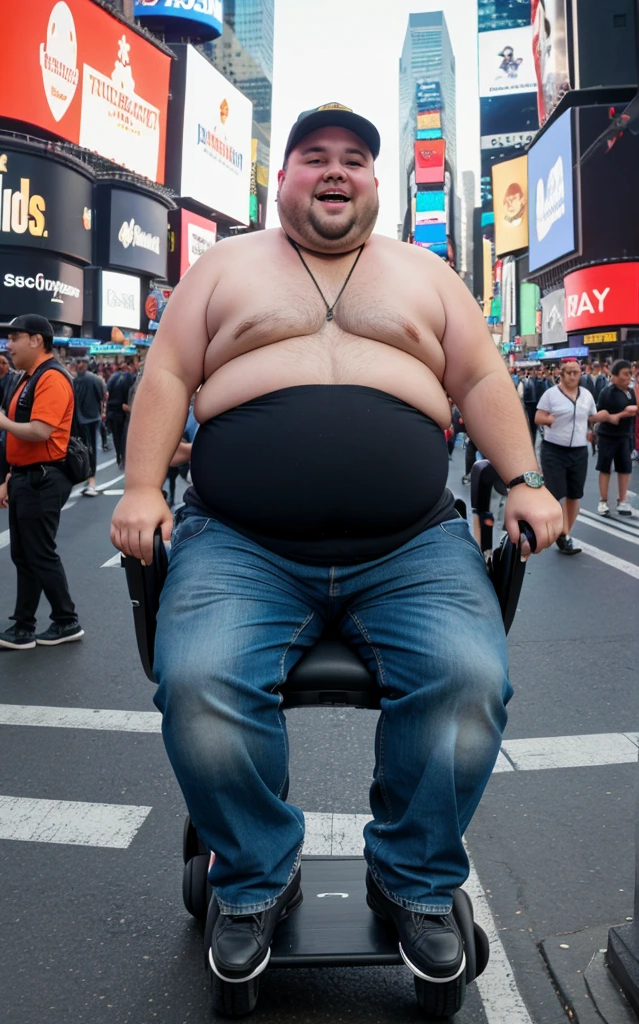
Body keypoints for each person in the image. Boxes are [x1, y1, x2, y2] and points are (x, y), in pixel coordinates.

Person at [110, 105, 562, 987]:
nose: (334, 171)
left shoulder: (428, 273)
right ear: (281, 178)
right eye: (313, 156)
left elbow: (477, 376)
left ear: (376, 185)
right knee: (199, 681)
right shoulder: (222, 266)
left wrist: (523, 479)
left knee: (469, 680)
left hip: (412, 547)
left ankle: (414, 879)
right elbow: (166, 372)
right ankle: (251, 877)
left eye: (353, 159)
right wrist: (136, 488)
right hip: (238, 543)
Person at [0, 315, 84, 649]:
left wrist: (2, 421)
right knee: (25, 555)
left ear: (36, 340)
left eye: (14, 337)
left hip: (43, 477)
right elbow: (22, 434)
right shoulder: (27, 377)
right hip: (27, 476)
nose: (7, 345)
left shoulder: (51, 378)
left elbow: (41, 430)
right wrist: (9, 478)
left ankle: (65, 621)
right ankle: (24, 626)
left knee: (39, 553)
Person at [534, 359, 602, 554]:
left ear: (581, 374)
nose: (573, 376)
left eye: (576, 372)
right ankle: (549, 528)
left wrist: (594, 429)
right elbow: (538, 417)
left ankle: (564, 534)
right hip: (554, 449)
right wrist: (549, 419)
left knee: (574, 494)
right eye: (569, 372)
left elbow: (591, 417)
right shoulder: (551, 395)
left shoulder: (587, 395)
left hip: (579, 450)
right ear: (561, 375)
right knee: (555, 494)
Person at [595, 359, 637, 516]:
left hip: (625, 435)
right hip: (608, 436)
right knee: (605, 468)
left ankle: (623, 501)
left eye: (630, 374)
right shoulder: (607, 393)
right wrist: (623, 414)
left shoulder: (631, 392)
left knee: (625, 468)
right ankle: (603, 501)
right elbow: (602, 416)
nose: (628, 377)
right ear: (614, 376)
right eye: (625, 374)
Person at [72, 357, 106, 497]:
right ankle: (90, 478)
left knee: (85, 449)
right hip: (91, 418)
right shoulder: (94, 380)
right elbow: (102, 397)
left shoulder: (74, 381)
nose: (79, 365)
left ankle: (89, 479)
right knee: (89, 449)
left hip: (82, 420)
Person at [106, 359, 136, 468]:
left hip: (113, 412)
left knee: (116, 436)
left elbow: (106, 393)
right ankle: (123, 458)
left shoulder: (113, 378)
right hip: (123, 412)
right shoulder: (131, 378)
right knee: (124, 436)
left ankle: (119, 456)